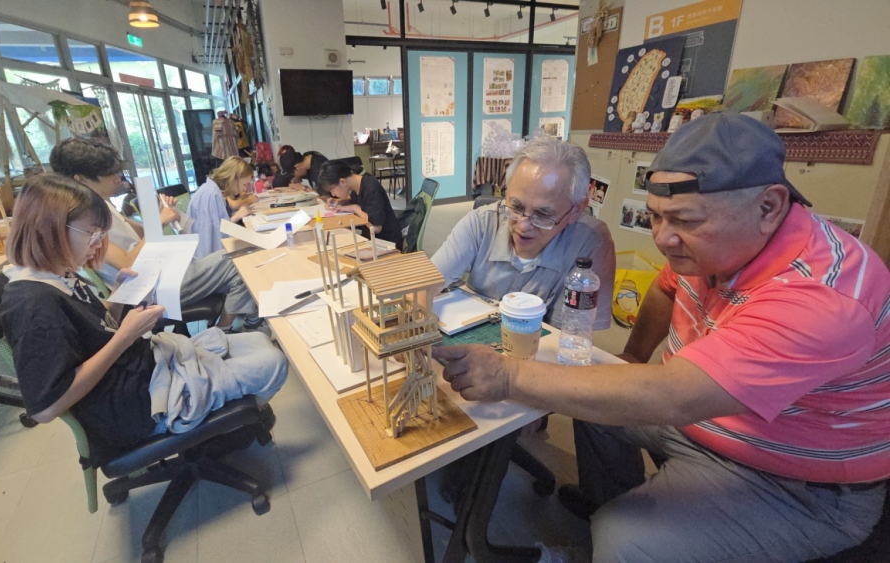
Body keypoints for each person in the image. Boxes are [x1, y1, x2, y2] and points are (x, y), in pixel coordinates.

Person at [432, 113, 890, 563]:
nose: (664, 239)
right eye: (654, 217)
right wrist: (633, 354)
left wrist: (509, 377)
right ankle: (611, 502)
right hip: (702, 422)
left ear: (768, 207)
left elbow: (675, 397)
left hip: (791, 481)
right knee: (595, 389)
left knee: (624, 542)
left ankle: (613, 534)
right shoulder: (714, 246)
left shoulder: (823, 296)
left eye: (684, 220)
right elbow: (666, 288)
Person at [0, 173, 287, 454]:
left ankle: (227, 421)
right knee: (273, 363)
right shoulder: (33, 305)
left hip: (141, 369)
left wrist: (118, 296)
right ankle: (218, 435)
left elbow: (93, 331)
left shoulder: (57, 274)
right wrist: (124, 337)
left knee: (261, 343)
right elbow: (47, 409)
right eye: (92, 234)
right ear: (50, 228)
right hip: (133, 405)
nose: (98, 244)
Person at [49, 138, 266, 331]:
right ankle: (228, 328)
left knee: (238, 262)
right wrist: (159, 222)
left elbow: (143, 233)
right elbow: (126, 263)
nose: (117, 178)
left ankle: (232, 325)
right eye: (108, 173)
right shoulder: (82, 222)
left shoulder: (103, 206)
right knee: (238, 259)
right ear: (81, 179)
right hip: (147, 289)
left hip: (160, 273)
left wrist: (160, 213)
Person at [432, 135, 615, 328]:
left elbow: (571, 335)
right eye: (516, 207)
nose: (523, 225)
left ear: (576, 210)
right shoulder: (481, 222)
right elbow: (424, 286)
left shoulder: (591, 243)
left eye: (543, 214)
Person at [316, 159, 403, 250]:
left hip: (387, 243)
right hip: (370, 239)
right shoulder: (357, 184)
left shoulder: (371, 188)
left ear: (342, 182)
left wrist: (355, 208)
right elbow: (358, 199)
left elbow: (376, 228)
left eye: (332, 190)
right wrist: (339, 202)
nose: (333, 194)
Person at [189, 157, 258, 259]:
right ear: (233, 178)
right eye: (244, 184)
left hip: (208, 255)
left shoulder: (213, 191)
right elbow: (211, 244)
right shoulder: (211, 196)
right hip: (206, 260)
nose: (245, 189)